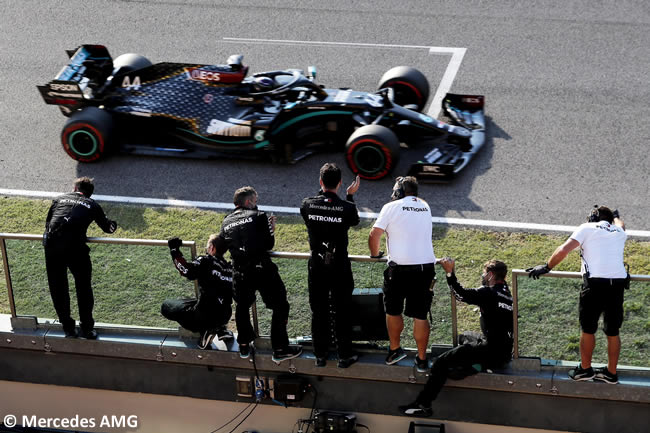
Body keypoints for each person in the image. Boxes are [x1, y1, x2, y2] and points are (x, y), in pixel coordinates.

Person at [400, 258, 514, 417]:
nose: (482, 276)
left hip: (489, 349)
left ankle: (424, 405)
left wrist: (449, 273)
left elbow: (460, 294)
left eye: (484, 273)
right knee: (464, 337)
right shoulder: (507, 293)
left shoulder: (489, 292)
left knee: (440, 363)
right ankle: (479, 366)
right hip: (504, 352)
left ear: (490, 274)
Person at [527, 206, 627, 384]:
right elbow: (621, 224)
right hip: (618, 285)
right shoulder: (619, 231)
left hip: (595, 285)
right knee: (613, 331)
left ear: (593, 217)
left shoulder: (587, 228)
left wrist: (547, 267)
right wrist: (616, 217)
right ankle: (611, 373)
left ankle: (585, 370)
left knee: (588, 329)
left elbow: (564, 249)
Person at [218, 186, 302, 363]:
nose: (257, 204)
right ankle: (279, 349)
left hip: (240, 273)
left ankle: (243, 346)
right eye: (255, 201)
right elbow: (269, 244)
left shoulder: (225, 222)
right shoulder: (260, 216)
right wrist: (271, 228)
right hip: (262, 270)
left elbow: (223, 245)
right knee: (280, 305)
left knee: (242, 306)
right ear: (248, 202)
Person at [368, 176, 436, 370]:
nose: (392, 194)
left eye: (394, 190)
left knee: (393, 310)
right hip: (426, 269)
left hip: (399, 270)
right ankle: (422, 359)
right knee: (420, 315)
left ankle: (395, 349)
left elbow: (374, 234)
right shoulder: (425, 206)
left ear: (399, 192)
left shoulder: (391, 207)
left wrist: (375, 254)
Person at [300, 163, 361, 368]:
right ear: (341, 183)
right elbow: (354, 221)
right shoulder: (347, 208)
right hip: (339, 267)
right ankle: (344, 356)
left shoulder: (307, 204)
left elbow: (316, 205)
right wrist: (350, 195)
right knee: (343, 311)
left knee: (319, 311)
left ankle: (320, 356)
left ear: (320, 182)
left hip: (317, 267)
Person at [43, 177, 117, 339]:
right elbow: (108, 228)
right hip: (76, 250)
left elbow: (48, 224)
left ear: (75, 188)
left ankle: (68, 328)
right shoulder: (92, 205)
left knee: (58, 288)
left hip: (52, 248)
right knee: (83, 289)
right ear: (89, 194)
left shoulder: (58, 199)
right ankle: (87, 329)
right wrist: (114, 223)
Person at [163, 235, 234, 349]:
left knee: (167, 305)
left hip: (203, 317)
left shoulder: (206, 261)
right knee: (207, 302)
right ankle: (220, 329)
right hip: (225, 316)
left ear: (212, 248)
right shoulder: (230, 268)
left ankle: (207, 330)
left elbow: (186, 270)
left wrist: (174, 249)